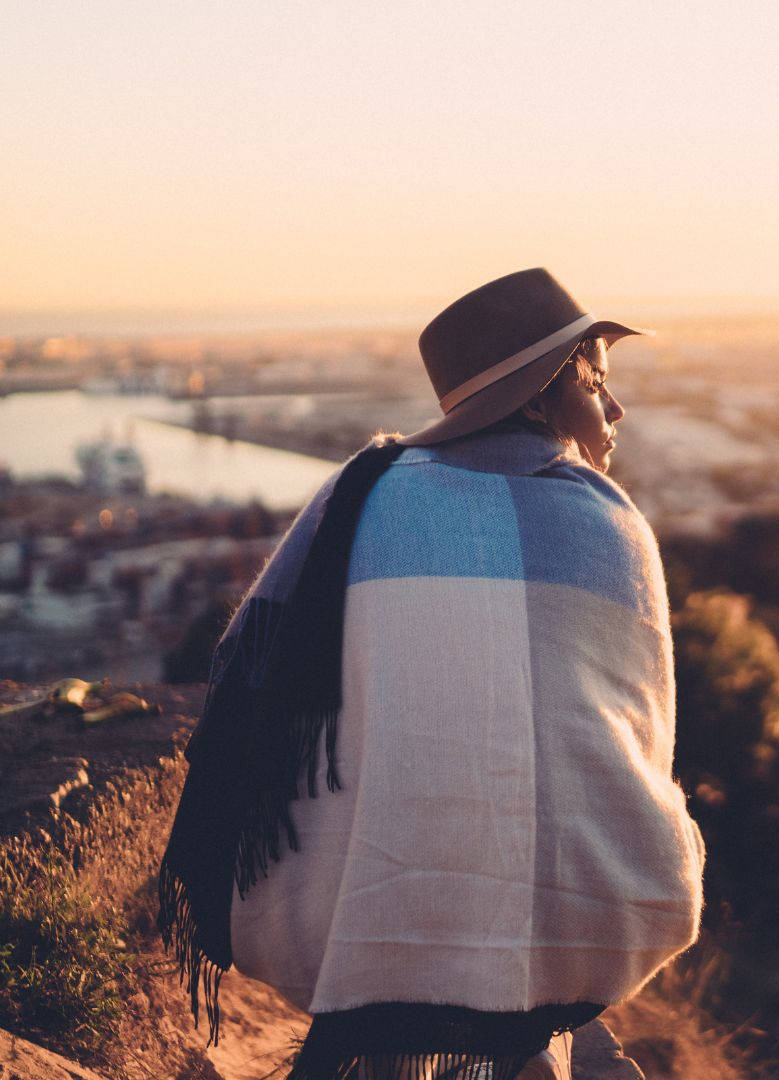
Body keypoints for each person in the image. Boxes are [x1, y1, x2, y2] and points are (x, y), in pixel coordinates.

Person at [157, 268, 704, 1079]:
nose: (615, 409)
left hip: (356, 909)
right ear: (538, 397)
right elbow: (637, 749)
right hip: (571, 919)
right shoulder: (607, 524)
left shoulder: (360, 497)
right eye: (597, 382)